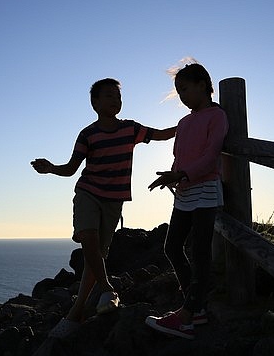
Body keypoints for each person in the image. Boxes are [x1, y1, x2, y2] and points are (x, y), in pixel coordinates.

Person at [31, 78, 175, 338]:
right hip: (88, 192)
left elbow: (162, 134)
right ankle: (108, 288)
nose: (115, 100)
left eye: (118, 96)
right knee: (88, 238)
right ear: (94, 103)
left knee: (94, 256)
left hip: (114, 200)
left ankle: (77, 312)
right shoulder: (88, 134)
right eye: (109, 96)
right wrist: (51, 168)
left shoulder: (131, 129)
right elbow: (72, 169)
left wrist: (188, 123)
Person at [144, 60, 228, 340]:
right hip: (184, 191)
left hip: (204, 191)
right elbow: (180, 155)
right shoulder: (184, 122)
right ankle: (196, 305)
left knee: (201, 253)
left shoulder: (217, 116)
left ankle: (188, 317)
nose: (181, 95)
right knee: (172, 247)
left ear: (202, 84)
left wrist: (181, 174)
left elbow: (210, 156)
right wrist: (173, 176)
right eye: (178, 91)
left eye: (184, 88)